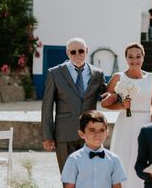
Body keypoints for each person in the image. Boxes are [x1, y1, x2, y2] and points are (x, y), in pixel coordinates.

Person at [41, 37, 119, 175]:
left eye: (81, 51)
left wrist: (120, 96)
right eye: (73, 52)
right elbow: (47, 107)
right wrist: (47, 136)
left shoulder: (97, 74)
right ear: (67, 53)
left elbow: (106, 96)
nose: (77, 55)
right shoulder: (55, 73)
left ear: (87, 51)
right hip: (64, 134)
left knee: (89, 175)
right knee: (68, 176)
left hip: (90, 133)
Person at [108, 43, 152, 188]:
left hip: (145, 124)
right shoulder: (118, 77)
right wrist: (121, 106)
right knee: (122, 164)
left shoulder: (151, 77)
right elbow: (106, 103)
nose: (134, 60)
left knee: (141, 164)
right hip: (125, 125)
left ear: (143, 57)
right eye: (130, 56)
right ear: (126, 58)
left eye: (138, 56)